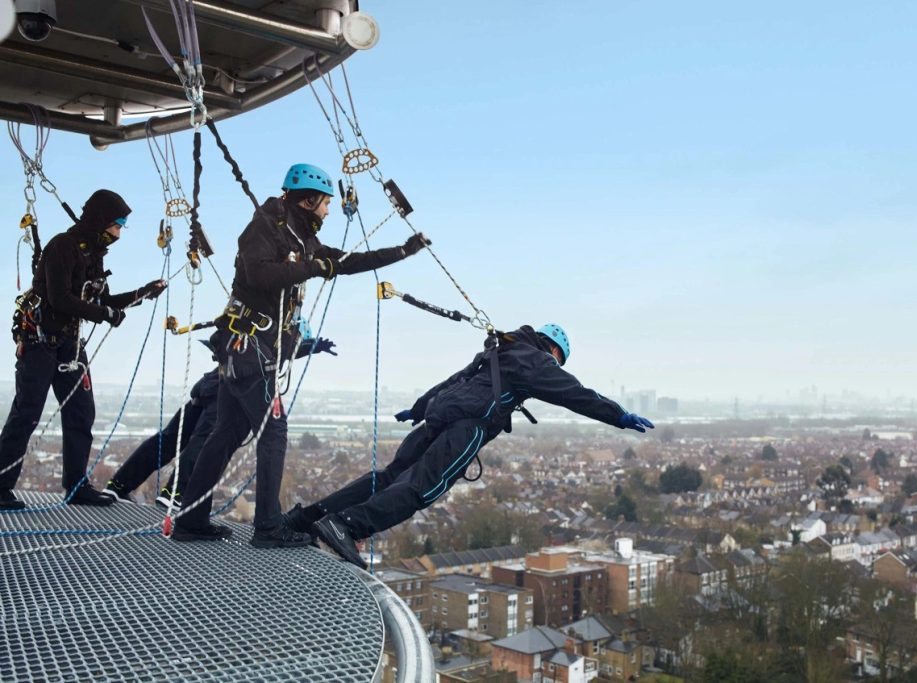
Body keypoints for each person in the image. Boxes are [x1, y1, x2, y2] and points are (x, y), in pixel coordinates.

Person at [172, 163, 430, 547]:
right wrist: (312, 267)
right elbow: (258, 273)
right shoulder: (267, 225)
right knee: (272, 432)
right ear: (309, 200)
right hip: (250, 347)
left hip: (245, 349)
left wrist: (402, 252)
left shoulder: (299, 237)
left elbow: (346, 262)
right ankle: (267, 528)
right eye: (324, 204)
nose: (328, 211)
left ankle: (191, 520)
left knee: (226, 434)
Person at [286, 324, 655, 569]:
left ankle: (309, 518)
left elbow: (454, 380)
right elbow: (575, 394)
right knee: (420, 490)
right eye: (558, 361)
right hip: (466, 428)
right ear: (554, 351)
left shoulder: (501, 350)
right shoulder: (537, 361)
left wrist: (419, 407)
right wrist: (617, 415)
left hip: (436, 418)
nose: (554, 367)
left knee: (387, 478)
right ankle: (345, 526)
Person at [0, 189, 166, 510]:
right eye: (117, 225)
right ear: (101, 221)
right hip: (41, 341)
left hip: (70, 344)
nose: (118, 233)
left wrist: (143, 293)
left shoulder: (93, 254)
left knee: (81, 412)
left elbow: (102, 301)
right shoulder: (63, 246)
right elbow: (60, 298)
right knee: (27, 413)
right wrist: (104, 315)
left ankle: (76, 487)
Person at [104, 336, 337, 508]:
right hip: (224, 392)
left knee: (170, 438)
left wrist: (309, 347)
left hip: (207, 387)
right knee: (203, 442)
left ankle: (119, 485)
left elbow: (278, 348)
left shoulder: (246, 326)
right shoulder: (269, 326)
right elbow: (280, 348)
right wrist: (310, 347)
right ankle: (175, 492)